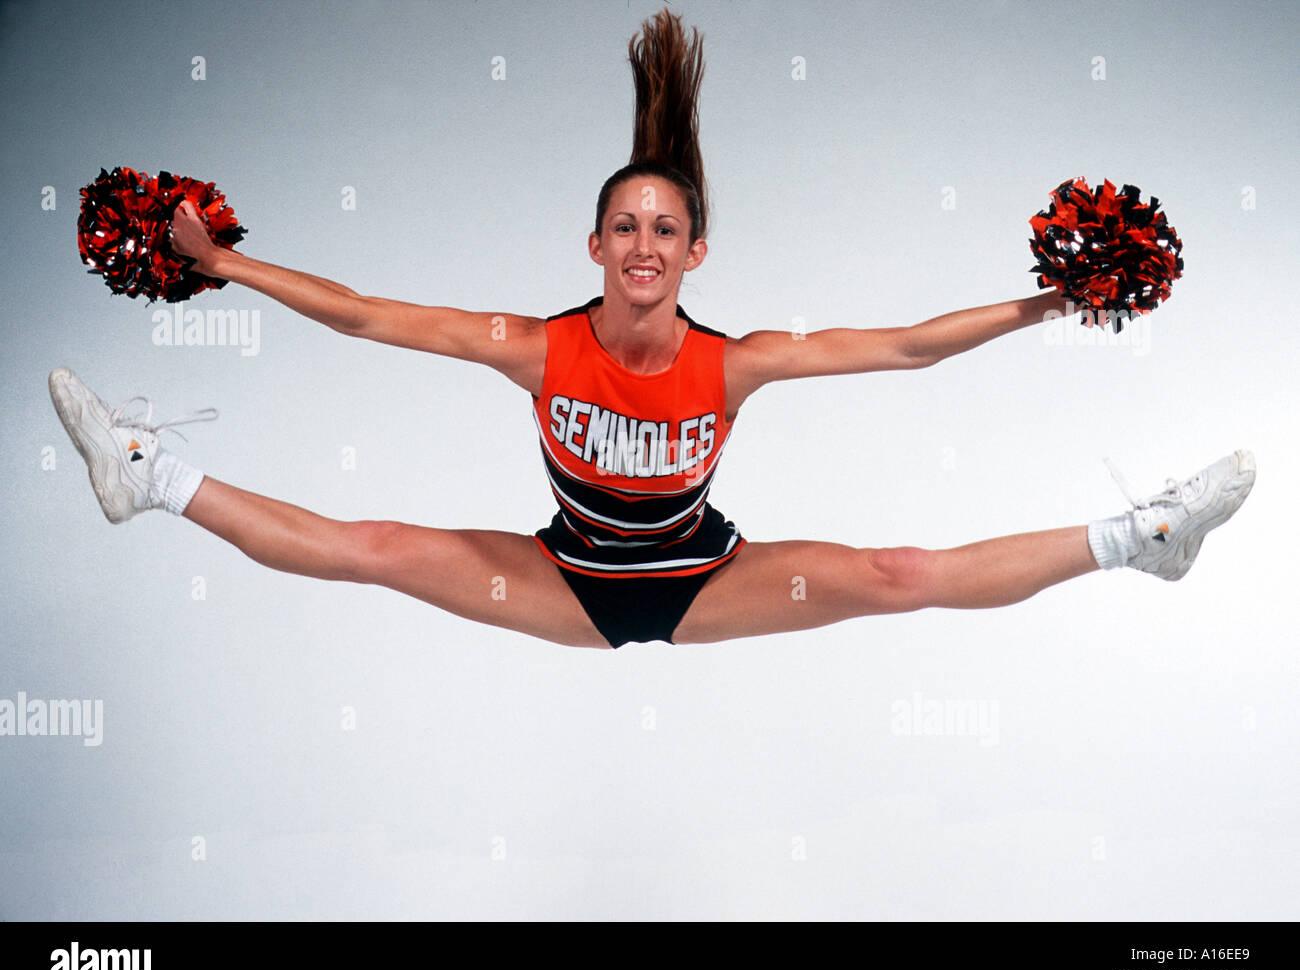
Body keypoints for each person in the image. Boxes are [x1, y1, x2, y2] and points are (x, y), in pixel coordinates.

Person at [49, 9, 1255, 650]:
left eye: (662, 228)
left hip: (701, 578)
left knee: (903, 576)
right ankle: (150, 473)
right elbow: (365, 316)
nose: (640, 244)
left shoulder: (737, 365)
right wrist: (224, 262)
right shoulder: (532, 343)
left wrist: (1052, 298)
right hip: (562, 577)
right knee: (370, 542)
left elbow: (905, 345)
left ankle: (1142, 535)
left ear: (693, 253)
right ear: (595, 247)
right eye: (621, 225)